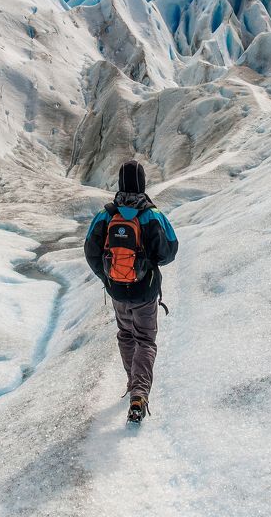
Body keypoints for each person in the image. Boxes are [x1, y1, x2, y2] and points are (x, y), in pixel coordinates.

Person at [84, 159, 178, 423]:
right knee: (145, 340)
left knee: (126, 335)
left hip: (117, 291)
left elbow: (91, 251)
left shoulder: (106, 215)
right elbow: (169, 252)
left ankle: (132, 382)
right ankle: (139, 391)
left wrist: (108, 277)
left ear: (120, 183)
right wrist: (146, 264)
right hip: (145, 291)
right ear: (142, 183)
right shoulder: (152, 215)